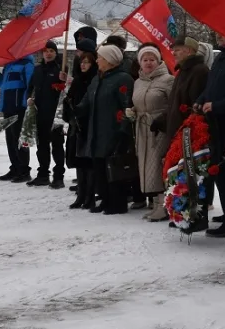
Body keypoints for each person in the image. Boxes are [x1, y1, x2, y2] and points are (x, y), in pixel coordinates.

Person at [155, 37, 210, 226]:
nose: (174, 53)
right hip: (178, 132)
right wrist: (163, 119)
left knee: (194, 175)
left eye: (178, 49)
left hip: (191, 134)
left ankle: (196, 215)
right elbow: (175, 103)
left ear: (190, 50)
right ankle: (183, 213)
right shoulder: (182, 72)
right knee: (180, 175)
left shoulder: (199, 71)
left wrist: (189, 127)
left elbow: (194, 104)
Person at [76, 43, 134, 215]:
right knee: (99, 165)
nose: (97, 60)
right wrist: (74, 109)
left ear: (110, 60)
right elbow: (87, 100)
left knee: (113, 166)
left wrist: (123, 130)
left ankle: (118, 202)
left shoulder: (123, 79)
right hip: (96, 129)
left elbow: (127, 106)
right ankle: (105, 198)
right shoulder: (97, 79)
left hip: (113, 129)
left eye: (100, 57)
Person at [195, 34, 225, 239]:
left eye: (224, 33)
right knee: (220, 171)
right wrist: (201, 100)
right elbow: (211, 88)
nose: (219, 36)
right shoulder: (221, 58)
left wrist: (217, 105)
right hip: (215, 124)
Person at [132, 44, 175, 220]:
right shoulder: (138, 82)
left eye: (152, 59)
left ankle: (164, 206)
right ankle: (156, 204)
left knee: (158, 165)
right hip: (142, 128)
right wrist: (133, 112)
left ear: (158, 61)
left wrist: (162, 119)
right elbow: (138, 103)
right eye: (145, 60)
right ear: (140, 62)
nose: (148, 63)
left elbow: (173, 105)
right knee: (146, 165)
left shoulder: (168, 80)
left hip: (159, 129)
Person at [26, 41, 66, 188]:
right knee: (42, 146)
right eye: (45, 51)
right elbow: (30, 88)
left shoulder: (61, 69)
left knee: (57, 146)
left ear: (56, 53)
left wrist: (64, 82)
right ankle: (43, 174)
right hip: (40, 113)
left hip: (55, 115)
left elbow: (68, 90)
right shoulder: (37, 69)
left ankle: (58, 176)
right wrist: (29, 99)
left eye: (51, 51)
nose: (48, 54)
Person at [65, 46, 98, 209]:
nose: (83, 65)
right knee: (78, 161)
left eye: (87, 62)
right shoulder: (77, 80)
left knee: (88, 162)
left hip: (89, 125)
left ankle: (90, 196)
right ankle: (81, 194)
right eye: (82, 62)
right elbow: (69, 99)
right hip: (76, 126)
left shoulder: (95, 80)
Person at [0, 56, 35, 183]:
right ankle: (15, 168)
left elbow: (30, 86)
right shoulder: (9, 65)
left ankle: (24, 170)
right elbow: (3, 84)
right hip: (8, 107)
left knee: (20, 140)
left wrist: (26, 104)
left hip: (19, 108)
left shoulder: (27, 64)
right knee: (10, 140)